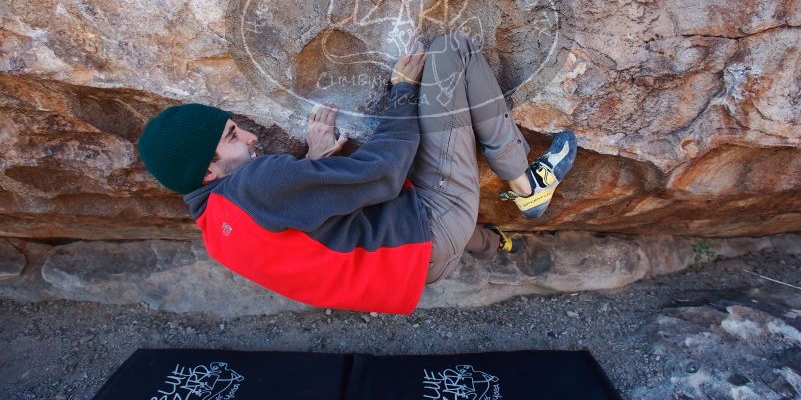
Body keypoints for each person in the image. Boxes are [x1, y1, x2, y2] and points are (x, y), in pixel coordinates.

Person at [136, 32, 576, 314]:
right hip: (429, 227)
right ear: (208, 171)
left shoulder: (216, 231)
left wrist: (312, 162)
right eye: (232, 136)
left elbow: (300, 230)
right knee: (451, 50)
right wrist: (402, 93)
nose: (251, 136)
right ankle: (527, 183)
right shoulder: (258, 183)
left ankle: (495, 241)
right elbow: (383, 172)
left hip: (415, 270)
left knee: (451, 221)